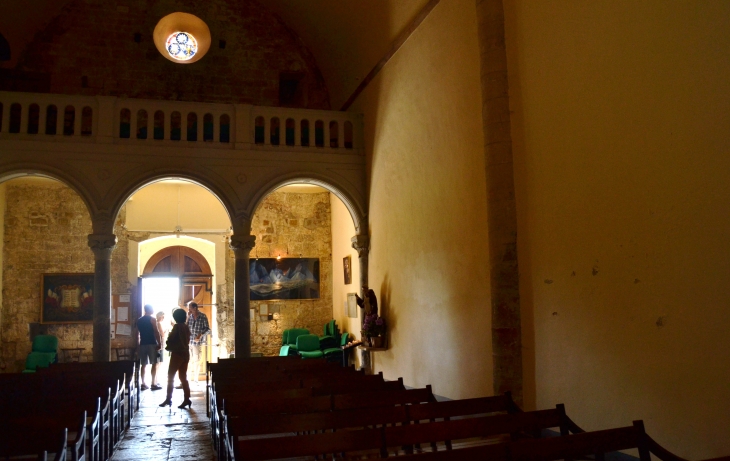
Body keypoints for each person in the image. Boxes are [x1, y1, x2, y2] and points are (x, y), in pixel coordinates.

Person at [159, 308, 191, 409]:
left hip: (177, 354)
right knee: (183, 377)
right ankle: (187, 399)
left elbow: (171, 339)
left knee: (170, 376)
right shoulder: (186, 327)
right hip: (185, 353)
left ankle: (168, 399)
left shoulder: (177, 327)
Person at [137, 304, 162, 390]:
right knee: (154, 363)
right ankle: (153, 383)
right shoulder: (152, 319)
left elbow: (137, 333)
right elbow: (156, 332)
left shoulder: (139, 320)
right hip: (152, 343)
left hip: (143, 343)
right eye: (152, 309)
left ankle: (143, 383)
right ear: (149, 310)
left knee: (143, 364)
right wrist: (159, 343)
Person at [186, 302, 210, 383]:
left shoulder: (203, 316)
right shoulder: (189, 316)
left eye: (190, 308)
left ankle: (196, 378)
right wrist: (188, 317)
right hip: (189, 342)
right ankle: (188, 378)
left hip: (197, 342)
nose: (188, 310)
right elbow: (185, 327)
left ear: (195, 308)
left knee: (197, 360)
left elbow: (208, 329)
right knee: (188, 360)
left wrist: (201, 334)